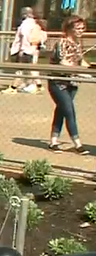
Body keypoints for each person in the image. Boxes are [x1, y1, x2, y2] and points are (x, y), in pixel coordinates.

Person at [47, 15, 90, 154]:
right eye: (78, 28)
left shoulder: (78, 43)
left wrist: (89, 70)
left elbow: (81, 61)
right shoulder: (61, 43)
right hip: (58, 82)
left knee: (61, 110)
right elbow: (63, 62)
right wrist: (79, 71)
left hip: (72, 83)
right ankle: (78, 144)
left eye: (82, 28)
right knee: (69, 111)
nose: (81, 31)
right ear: (70, 28)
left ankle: (53, 141)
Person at [5, 7, 40, 93]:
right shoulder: (34, 24)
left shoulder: (25, 24)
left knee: (19, 70)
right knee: (30, 69)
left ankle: (13, 88)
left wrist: (21, 50)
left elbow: (24, 37)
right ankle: (36, 85)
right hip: (32, 49)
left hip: (25, 50)